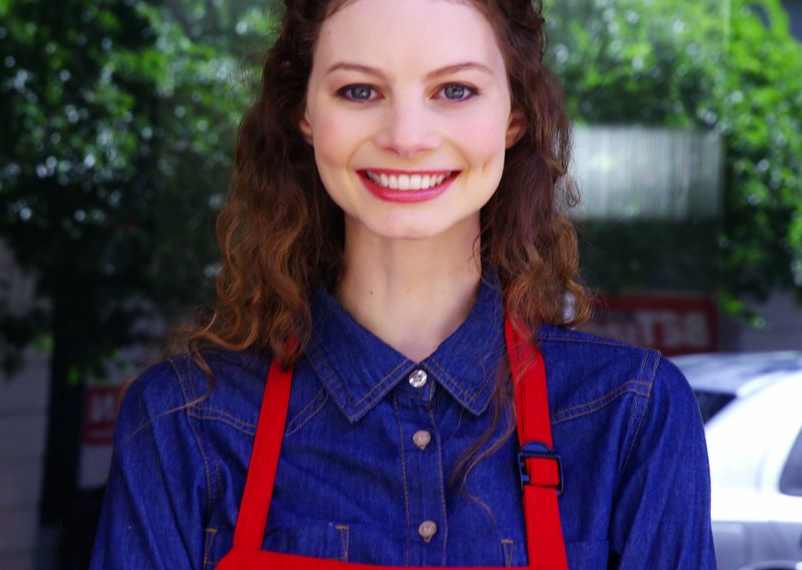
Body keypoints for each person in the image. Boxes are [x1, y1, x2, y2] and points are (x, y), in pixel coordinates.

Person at [90, 0, 716, 567]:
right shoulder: (185, 423)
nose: (406, 139)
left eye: (455, 89)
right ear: (304, 114)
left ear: (515, 117)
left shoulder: (631, 416)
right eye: (360, 90)